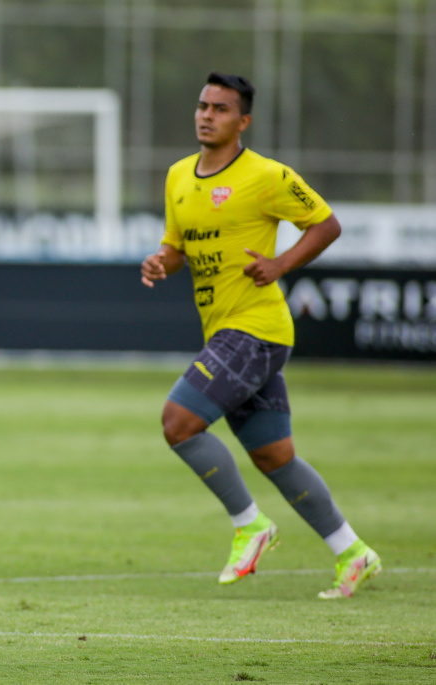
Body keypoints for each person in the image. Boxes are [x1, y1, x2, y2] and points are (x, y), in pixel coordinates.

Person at [140, 72, 381, 599]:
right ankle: (352, 551)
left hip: (256, 328)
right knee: (275, 456)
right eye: (203, 105)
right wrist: (162, 261)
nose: (207, 114)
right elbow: (177, 247)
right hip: (228, 331)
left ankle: (250, 524)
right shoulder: (179, 175)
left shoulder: (266, 176)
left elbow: (326, 224)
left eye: (221, 109)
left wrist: (279, 264)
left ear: (242, 121)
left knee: (178, 423)